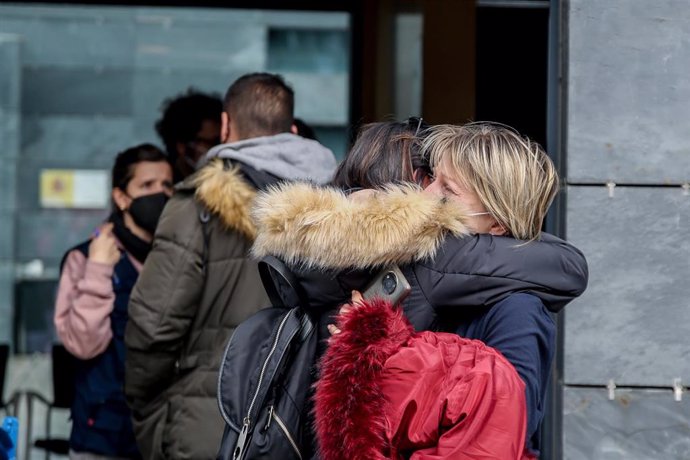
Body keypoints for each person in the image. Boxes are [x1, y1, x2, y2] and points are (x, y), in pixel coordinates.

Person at [251, 121, 588, 458]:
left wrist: (383, 347)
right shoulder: (438, 279)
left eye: (448, 190)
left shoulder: (518, 310)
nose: (425, 196)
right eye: (432, 179)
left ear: (497, 222)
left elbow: (500, 431)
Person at [125, 72, 337, 460]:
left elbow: (154, 325)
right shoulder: (337, 206)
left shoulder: (197, 205)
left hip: (209, 424)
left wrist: (147, 408)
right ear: (290, 130)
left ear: (224, 125)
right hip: (303, 431)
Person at [54, 144, 173, 460]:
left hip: (161, 436)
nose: (160, 194)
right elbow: (82, 343)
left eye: (166, 185)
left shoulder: (177, 262)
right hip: (101, 438)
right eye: (147, 186)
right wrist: (99, 270)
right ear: (122, 197)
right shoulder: (83, 259)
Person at [155, 88, 222, 182]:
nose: (219, 149)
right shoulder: (162, 185)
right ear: (181, 146)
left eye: (221, 142)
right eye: (211, 142)